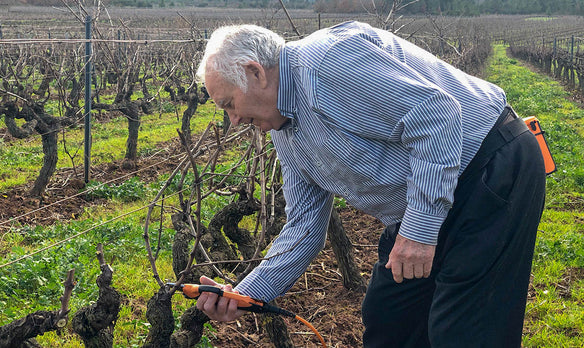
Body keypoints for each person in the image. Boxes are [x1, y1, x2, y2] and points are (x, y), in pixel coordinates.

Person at [194, 21, 546, 347]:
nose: (234, 119)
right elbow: (303, 226)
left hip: (488, 167)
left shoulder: (327, 63)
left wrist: (419, 232)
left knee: (465, 331)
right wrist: (246, 295)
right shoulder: (285, 132)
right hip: (426, 198)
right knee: (390, 320)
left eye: (229, 104)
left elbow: (438, 115)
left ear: (256, 72)